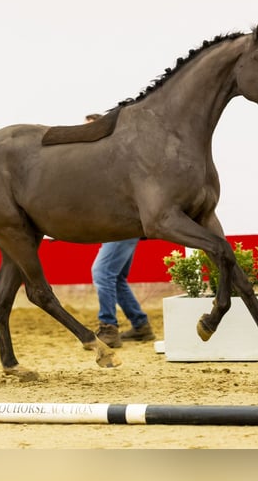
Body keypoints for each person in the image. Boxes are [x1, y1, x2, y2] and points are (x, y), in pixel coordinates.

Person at [82, 113, 155, 348]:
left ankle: (108, 328)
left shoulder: (111, 158)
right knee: (117, 277)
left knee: (102, 272)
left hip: (122, 223)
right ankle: (141, 325)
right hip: (118, 225)